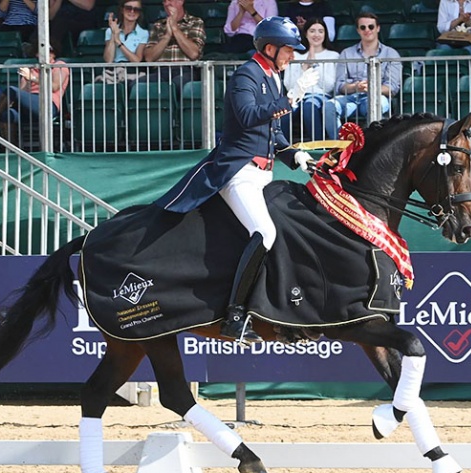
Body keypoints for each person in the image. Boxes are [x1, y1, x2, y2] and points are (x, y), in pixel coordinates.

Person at [155, 17, 319, 343]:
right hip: (239, 173)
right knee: (265, 232)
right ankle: (234, 317)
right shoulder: (247, 74)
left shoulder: (271, 76)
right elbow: (247, 117)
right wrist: (291, 98)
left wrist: (293, 155)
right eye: (288, 50)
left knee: (286, 231)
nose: (292, 56)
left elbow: (272, 134)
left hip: (264, 172)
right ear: (269, 48)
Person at [324, 12, 401, 139]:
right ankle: (339, 146)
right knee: (329, 106)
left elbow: (392, 88)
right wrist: (356, 87)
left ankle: (370, 146)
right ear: (358, 30)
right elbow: (340, 86)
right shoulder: (346, 53)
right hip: (352, 98)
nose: (367, 30)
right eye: (363, 27)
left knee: (378, 104)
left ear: (378, 28)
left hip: (378, 96)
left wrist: (372, 88)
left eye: (371, 27)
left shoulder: (391, 54)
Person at [0, 41, 70, 144]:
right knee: (8, 115)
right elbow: (22, 92)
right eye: (42, 51)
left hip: (48, 104)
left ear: (54, 53)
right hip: (29, 105)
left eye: (50, 51)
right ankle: (11, 151)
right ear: (37, 54)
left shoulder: (60, 65)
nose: (47, 53)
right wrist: (27, 80)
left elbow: (54, 86)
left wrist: (32, 78)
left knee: (11, 90)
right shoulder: (31, 69)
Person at [282, 17, 339, 140]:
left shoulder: (333, 55)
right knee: (283, 110)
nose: (316, 35)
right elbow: (288, 84)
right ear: (306, 34)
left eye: (320, 31)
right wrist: (304, 67)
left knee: (309, 106)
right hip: (296, 96)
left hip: (320, 96)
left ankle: (316, 146)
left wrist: (314, 65)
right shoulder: (294, 55)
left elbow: (329, 86)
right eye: (312, 31)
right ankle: (282, 148)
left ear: (325, 34)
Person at [144, 0, 206, 93]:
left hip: (185, 70)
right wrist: (167, 36)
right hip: (160, 71)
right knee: (138, 85)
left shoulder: (195, 22)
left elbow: (193, 54)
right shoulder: (158, 25)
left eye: (171, 0)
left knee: (178, 83)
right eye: (165, 1)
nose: (167, 3)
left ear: (181, 1)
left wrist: (175, 28)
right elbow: (149, 58)